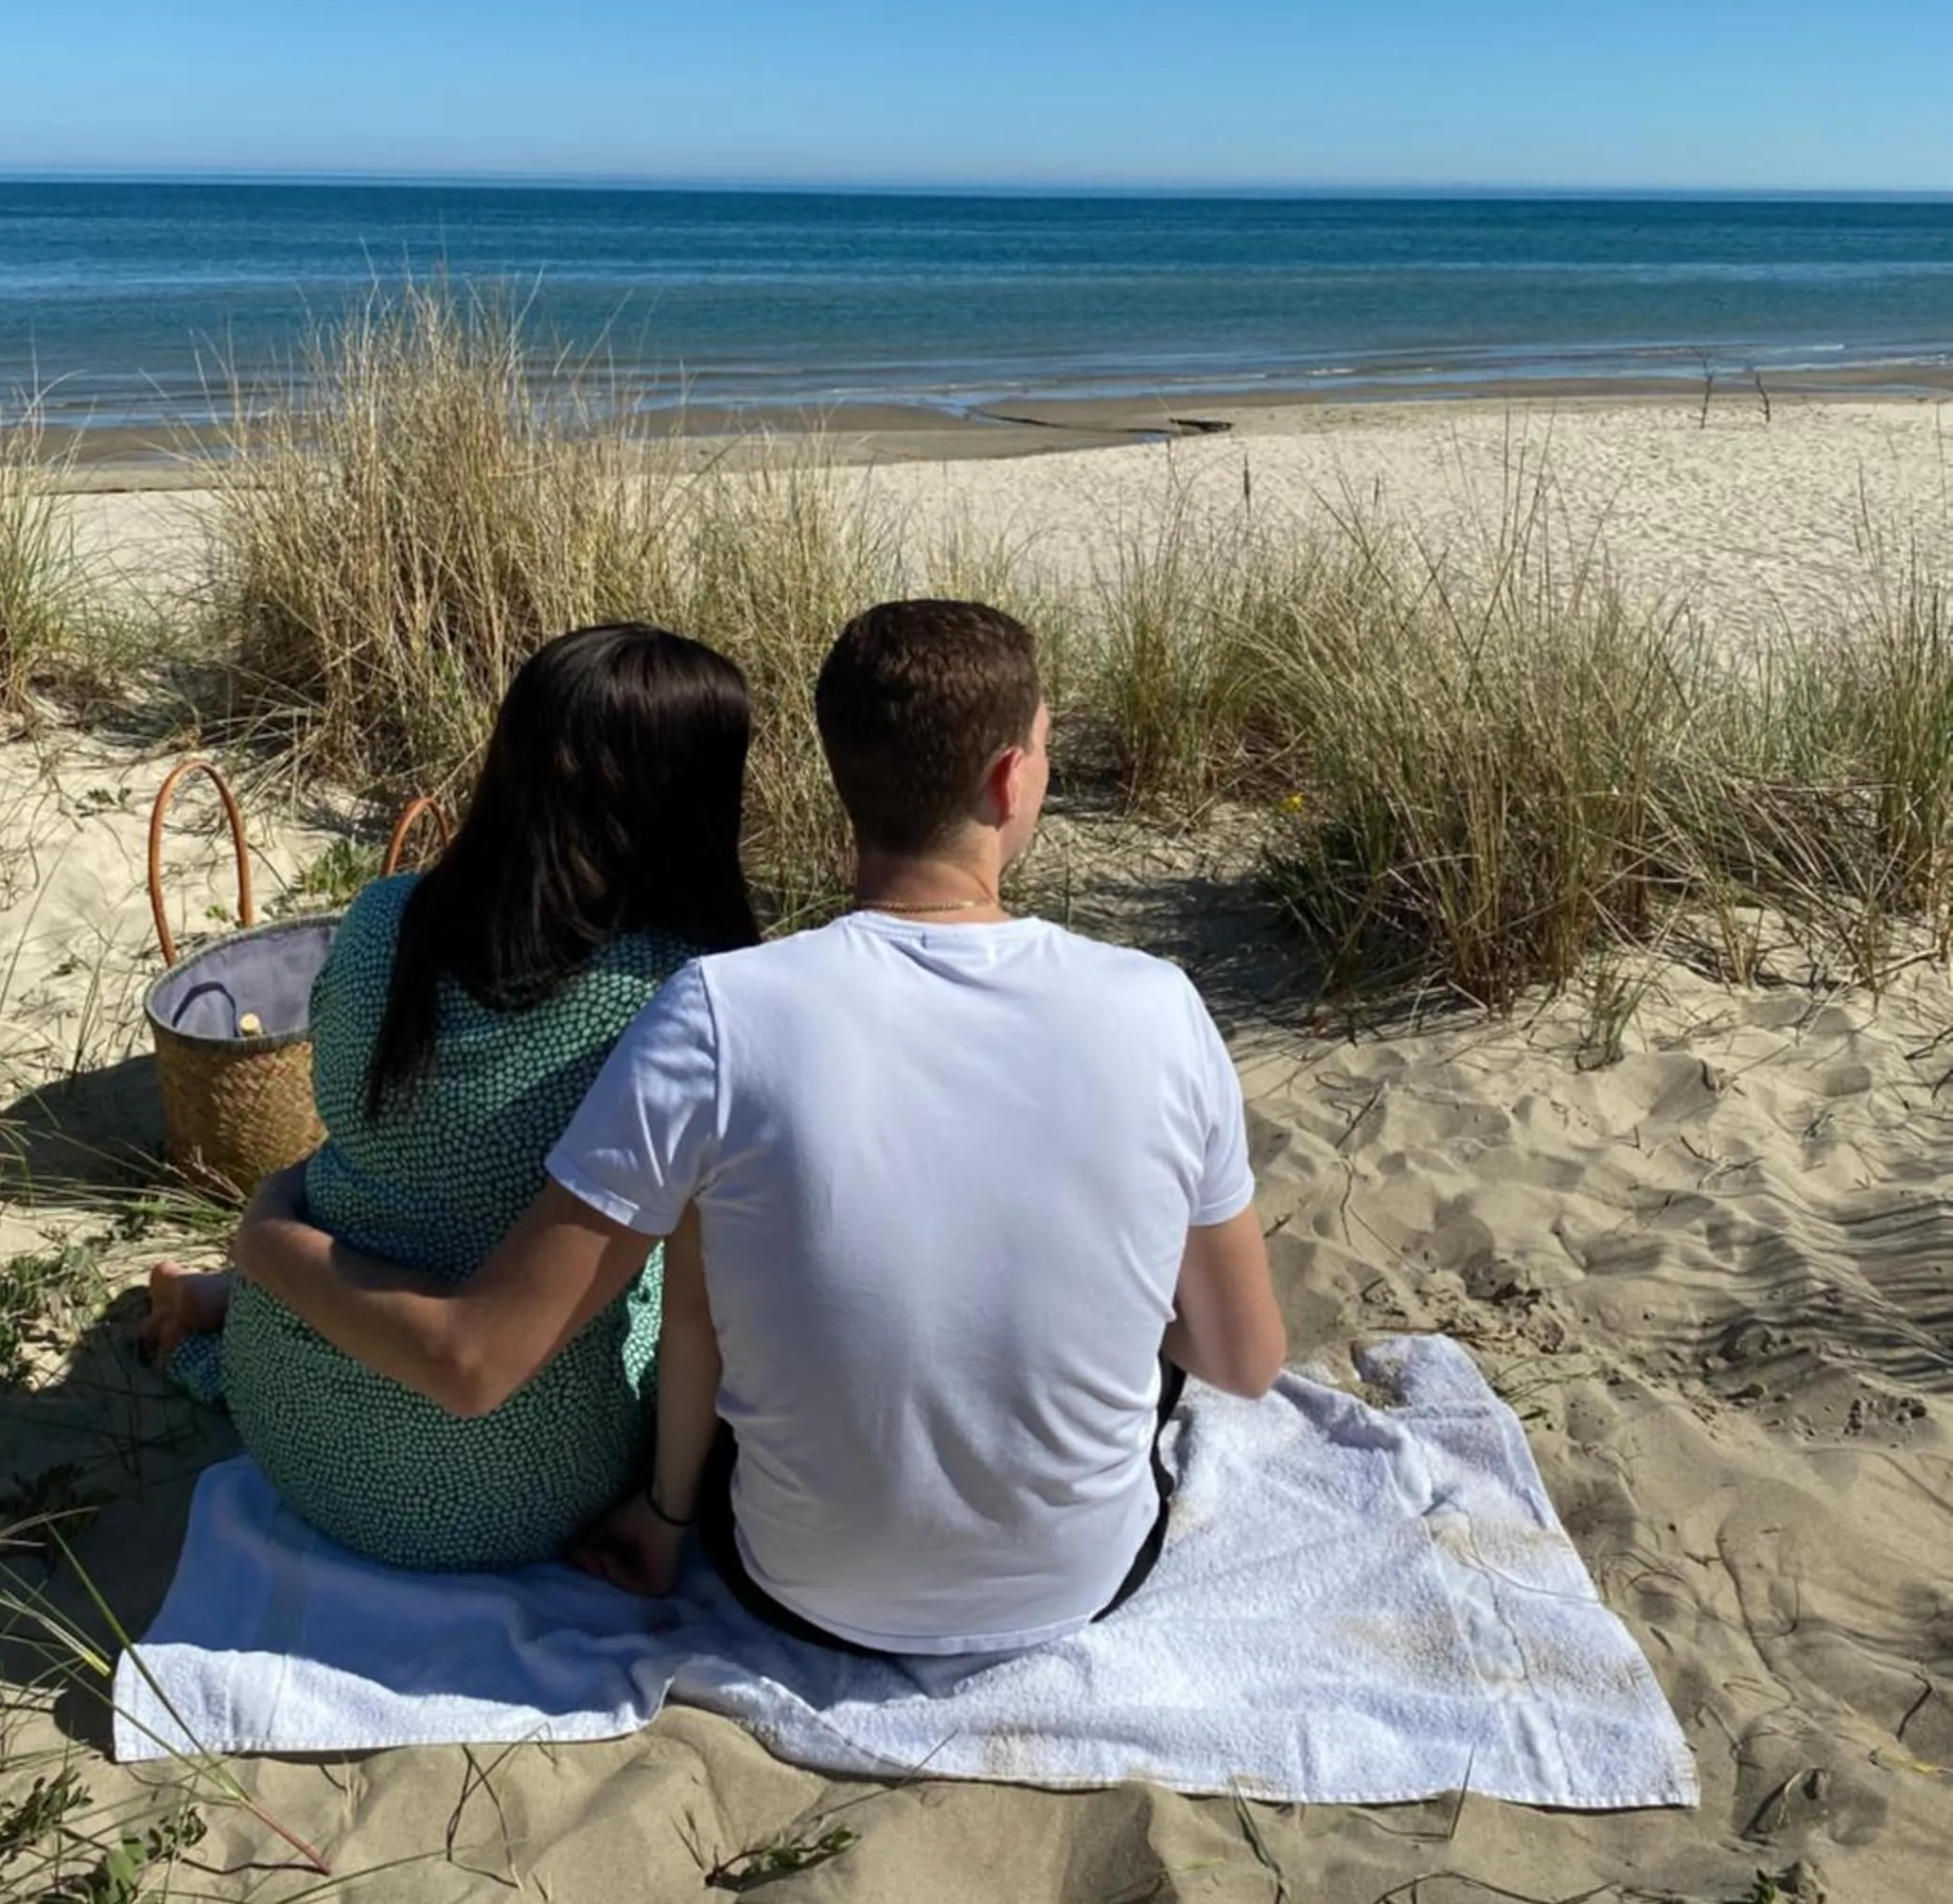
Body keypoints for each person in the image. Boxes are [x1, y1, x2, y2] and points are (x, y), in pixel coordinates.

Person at [230, 599, 1284, 1652]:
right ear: (1010, 779)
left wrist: (263, 1238)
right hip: (1075, 1581)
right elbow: (1244, 1361)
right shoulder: (1158, 1005)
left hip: (798, 1585)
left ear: (843, 778)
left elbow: (671, 1319)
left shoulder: (716, 1009)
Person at [138, 624, 758, 1571]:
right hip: (505, 1492)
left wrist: (263, 1232)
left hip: (290, 1423)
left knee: (390, 1187)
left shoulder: (386, 916)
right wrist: (669, 1513)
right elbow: (693, 1312)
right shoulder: (685, 1000)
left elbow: (377, 1136)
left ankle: (220, 1299)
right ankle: (222, 1291)